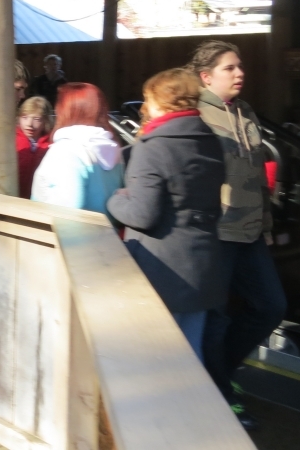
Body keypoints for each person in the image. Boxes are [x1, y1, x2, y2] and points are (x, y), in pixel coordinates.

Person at [190, 41, 286, 429]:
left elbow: (257, 176)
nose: (239, 72)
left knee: (270, 307)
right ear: (206, 76)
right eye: (230, 68)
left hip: (249, 233)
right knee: (216, 320)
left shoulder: (244, 112)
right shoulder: (196, 115)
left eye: (240, 66)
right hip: (216, 233)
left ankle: (218, 373)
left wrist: (265, 226)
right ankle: (219, 392)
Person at [106, 69, 226, 362]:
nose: (146, 106)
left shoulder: (153, 147)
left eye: (149, 99)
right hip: (204, 264)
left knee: (157, 363)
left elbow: (141, 214)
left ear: (161, 101)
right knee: (191, 358)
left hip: (161, 270)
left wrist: (115, 200)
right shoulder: (210, 140)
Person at [31, 83, 123, 213]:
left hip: (57, 231)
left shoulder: (67, 151)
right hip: (106, 232)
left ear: (65, 110)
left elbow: (68, 210)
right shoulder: (112, 148)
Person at [16, 96, 51, 199]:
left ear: (46, 120)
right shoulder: (11, 141)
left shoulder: (51, 145)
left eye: (37, 119)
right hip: (14, 200)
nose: (29, 124)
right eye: (24, 117)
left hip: (39, 201)